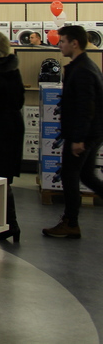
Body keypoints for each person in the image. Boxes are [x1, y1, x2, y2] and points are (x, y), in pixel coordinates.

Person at [43, 25, 103, 239]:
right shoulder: (84, 66)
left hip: (84, 134)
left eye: (62, 41)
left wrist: (78, 139)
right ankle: (70, 221)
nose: (59, 45)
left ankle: (70, 222)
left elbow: (85, 108)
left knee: (69, 175)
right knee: (86, 175)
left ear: (74, 43)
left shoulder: (82, 70)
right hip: (91, 132)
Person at [0, 31, 25, 242]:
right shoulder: (13, 70)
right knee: (3, 178)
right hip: (13, 127)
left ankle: (7, 224)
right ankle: (9, 224)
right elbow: (19, 100)